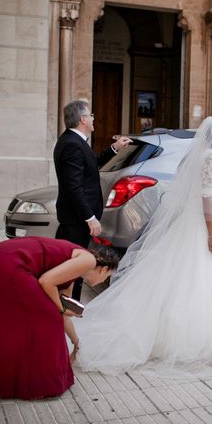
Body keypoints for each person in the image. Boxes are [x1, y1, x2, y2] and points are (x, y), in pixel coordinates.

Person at [72, 113, 212, 376]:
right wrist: (211, 233)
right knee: (199, 275)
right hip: (209, 224)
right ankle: (196, 338)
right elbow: (206, 196)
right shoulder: (210, 156)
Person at [0, 237, 119, 400]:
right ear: (103, 269)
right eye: (107, 277)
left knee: (26, 320)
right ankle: (39, 383)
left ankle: (6, 375)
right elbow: (46, 282)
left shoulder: (73, 272)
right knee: (48, 318)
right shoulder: (88, 260)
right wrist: (60, 309)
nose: (103, 281)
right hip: (11, 263)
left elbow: (61, 316)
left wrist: (76, 343)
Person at [54, 99, 131, 300]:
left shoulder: (75, 141)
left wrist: (114, 148)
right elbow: (74, 187)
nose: (93, 118)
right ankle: (68, 309)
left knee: (74, 269)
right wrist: (89, 217)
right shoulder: (72, 144)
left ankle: (70, 308)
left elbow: (91, 164)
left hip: (76, 220)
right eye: (91, 115)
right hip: (76, 221)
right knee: (72, 271)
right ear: (82, 119)